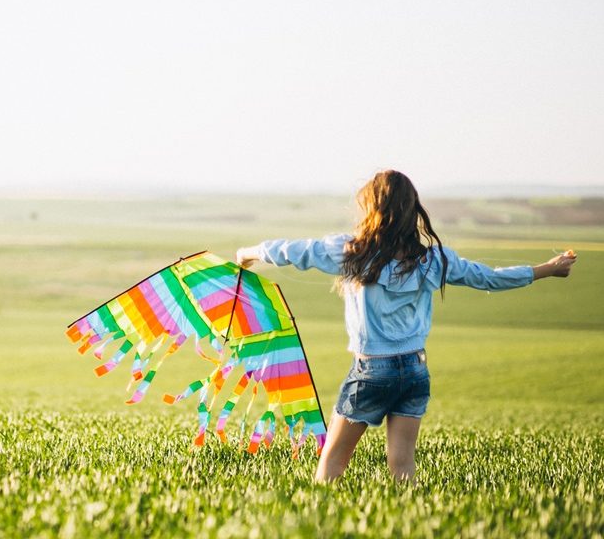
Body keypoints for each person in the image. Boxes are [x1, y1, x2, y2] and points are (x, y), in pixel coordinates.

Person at [234, 170, 576, 482]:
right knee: (402, 464)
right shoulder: (434, 259)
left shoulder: (350, 251)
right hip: (415, 371)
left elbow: (291, 251)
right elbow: (489, 277)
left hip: (371, 372)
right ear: (413, 210)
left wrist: (246, 254)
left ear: (371, 209)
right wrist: (548, 268)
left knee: (333, 461)